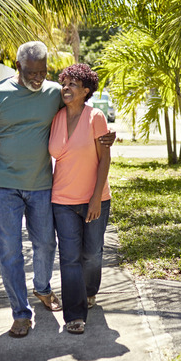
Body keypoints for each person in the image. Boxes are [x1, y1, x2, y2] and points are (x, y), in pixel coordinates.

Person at [0, 42, 114, 338]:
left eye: (43, 72)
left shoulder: (54, 94)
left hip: (43, 185)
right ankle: (21, 314)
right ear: (18, 67)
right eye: (31, 72)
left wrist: (107, 135)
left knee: (46, 245)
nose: (37, 78)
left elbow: (82, 111)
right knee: (9, 250)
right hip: (4, 184)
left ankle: (42, 287)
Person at [49, 63, 112, 335]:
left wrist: (96, 198)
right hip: (61, 199)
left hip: (94, 198)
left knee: (92, 254)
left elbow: (105, 158)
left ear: (86, 91)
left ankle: (89, 291)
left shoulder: (95, 116)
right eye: (64, 83)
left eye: (73, 84)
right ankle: (74, 314)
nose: (66, 88)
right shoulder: (55, 117)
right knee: (70, 257)